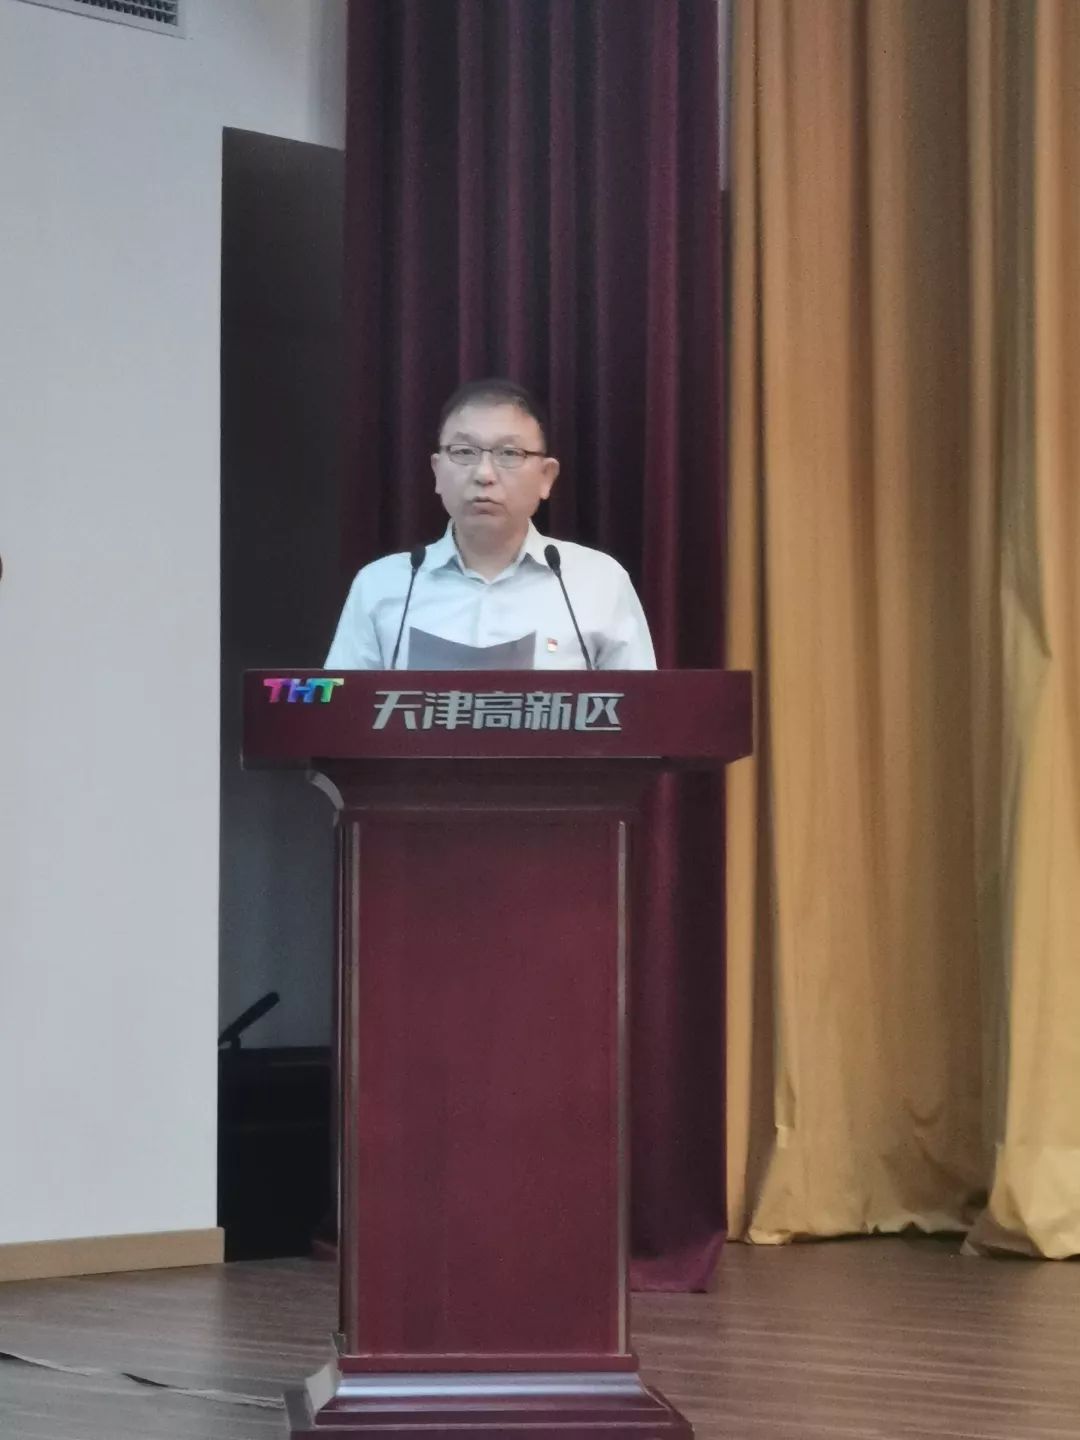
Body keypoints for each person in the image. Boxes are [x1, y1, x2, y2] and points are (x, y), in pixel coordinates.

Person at [325, 379, 656, 670]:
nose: (484, 474)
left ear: (546, 477)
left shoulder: (598, 581)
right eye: (464, 452)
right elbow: (340, 713)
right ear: (437, 471)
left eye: (509, 453)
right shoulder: (381, 585)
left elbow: (641, 712)